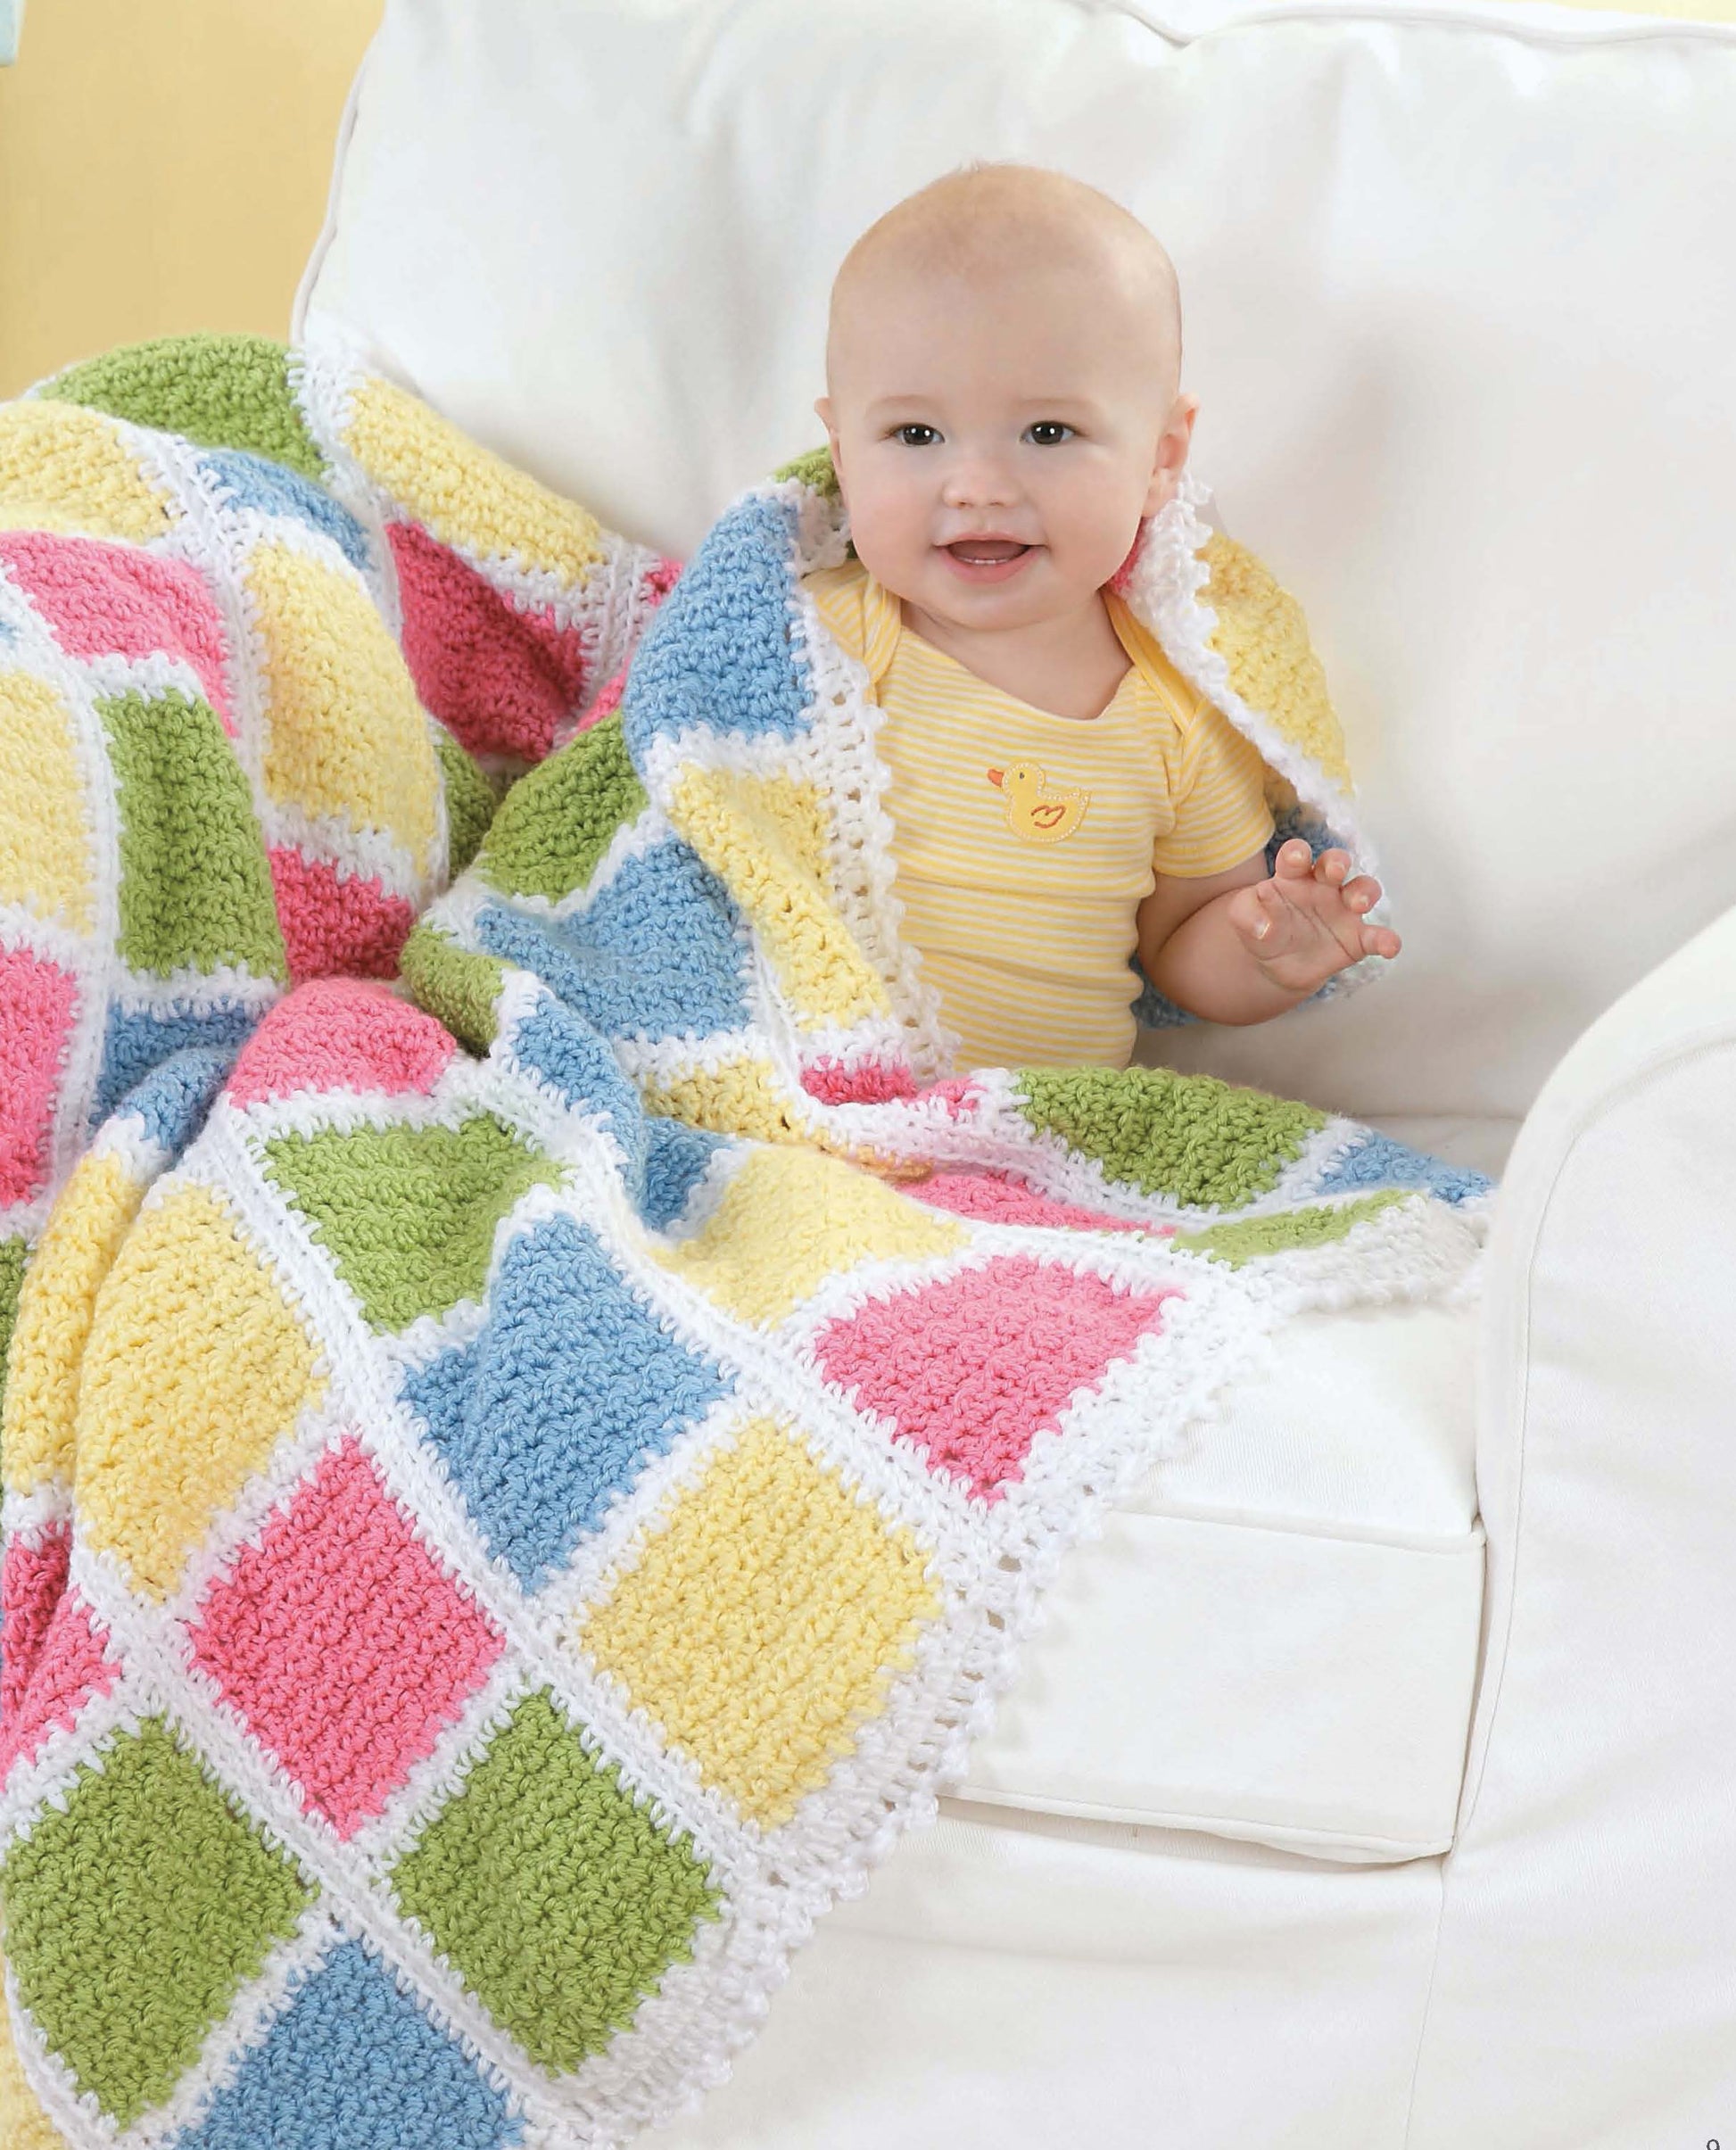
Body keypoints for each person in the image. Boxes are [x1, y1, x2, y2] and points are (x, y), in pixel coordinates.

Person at [806, 163, 1399, 1071]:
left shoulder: (1174, 720)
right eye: (915, 436)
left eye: (1046, 433)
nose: (976, 488)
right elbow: (702, 796)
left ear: (1159, 458)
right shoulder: (813, 644)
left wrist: (1264, 949)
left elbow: (1181, 950)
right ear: (842, 453)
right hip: (801, 1085)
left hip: (1038, 1133)